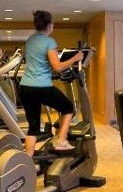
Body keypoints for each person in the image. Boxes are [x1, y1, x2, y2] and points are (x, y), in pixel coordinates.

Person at [19, 10, 84, 157]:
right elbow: (57, 67)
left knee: (33, 126)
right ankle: (61, 140)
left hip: (25, 87)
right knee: (68, 107)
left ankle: (27, 160)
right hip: (41, 87)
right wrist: (76, 58)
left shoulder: (30, 40)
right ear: (49, 25)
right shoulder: (49, 42)